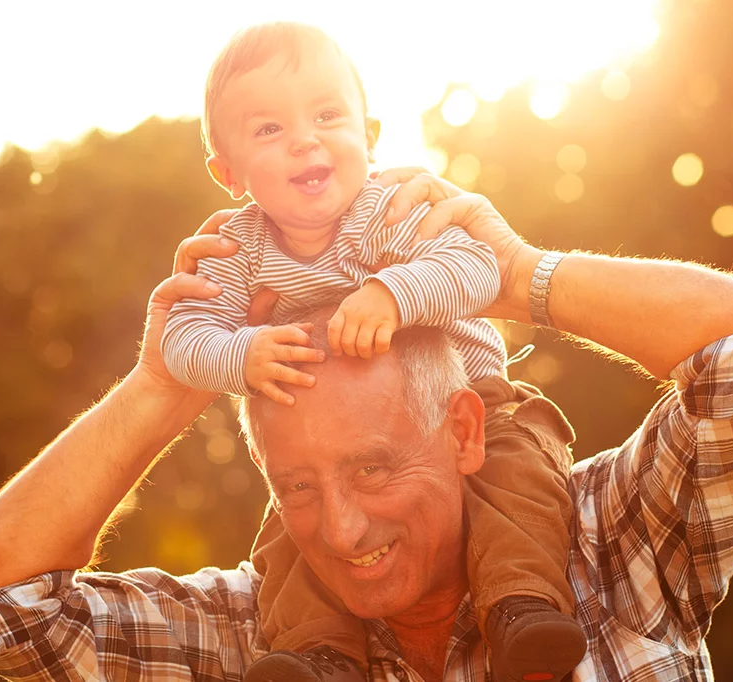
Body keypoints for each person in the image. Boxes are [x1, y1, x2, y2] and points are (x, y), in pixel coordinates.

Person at [0, 169, 733, 682]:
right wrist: (164, 382)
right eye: (298, 488)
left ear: (467, 430)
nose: (342, 531)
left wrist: (517, 278)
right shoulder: (258, 637)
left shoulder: (610, 545)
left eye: (374, 469)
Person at [160, 22, 585, 682]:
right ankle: (319, 654)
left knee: (521, 477)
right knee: (295, 535)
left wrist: (393, 294)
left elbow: (476, 267)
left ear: (370, 135)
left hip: (472, 397)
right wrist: (239, 351)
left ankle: (521, 607)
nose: (305, 138)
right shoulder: (235, 250)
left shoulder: (395, 207)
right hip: (330, 439)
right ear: (229, 172)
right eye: (268, 129)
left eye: (327, 114)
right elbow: (183, 339)